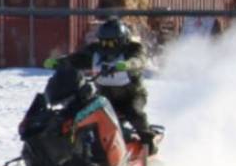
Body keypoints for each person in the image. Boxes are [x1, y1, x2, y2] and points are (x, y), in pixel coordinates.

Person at [45, 17, 156, 155]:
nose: (107, 46)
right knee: (87, 116)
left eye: (111, 43)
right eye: (104, 42)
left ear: (122, 40)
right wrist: (60, 62)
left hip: (132, 95)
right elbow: (78, 58)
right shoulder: (96, 51)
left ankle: (149, 142)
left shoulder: (133, 49)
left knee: (134, 112)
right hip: (106, 97)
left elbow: (138, 60)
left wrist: (127, 65)